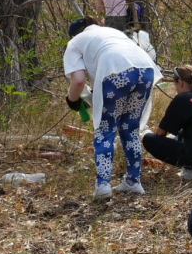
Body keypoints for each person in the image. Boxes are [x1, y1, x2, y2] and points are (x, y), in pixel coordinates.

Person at [63, 16, 160, 200]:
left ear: (74, 34)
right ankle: (133, 181)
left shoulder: (75, 42)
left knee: (106, 129)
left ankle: (103, 185)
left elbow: (78, 81)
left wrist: (72, 100)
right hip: (145, 70)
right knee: (129, 128)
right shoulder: (111, 32)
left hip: (116, 72)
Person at [140, 66, 192, 178]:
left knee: (149, 139)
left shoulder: (182, 99)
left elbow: (160, 134)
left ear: (180, 82)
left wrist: (145, 133)